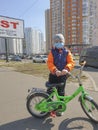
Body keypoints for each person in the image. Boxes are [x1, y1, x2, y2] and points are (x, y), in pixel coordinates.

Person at [47, 33, 75, 116]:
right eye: (56, 41)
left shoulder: (67, 52)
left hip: (62, 76)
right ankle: (47, 108)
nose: (59, 43)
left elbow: (71, 62)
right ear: (54, 43)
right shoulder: (52, 52)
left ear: (63, 42)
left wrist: (66, 69)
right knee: (50, 92)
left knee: (61, 92)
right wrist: (55, 70)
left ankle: (60, 108)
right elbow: (49, 62)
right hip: (53, 75)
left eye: (60, 41)